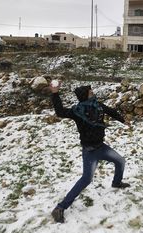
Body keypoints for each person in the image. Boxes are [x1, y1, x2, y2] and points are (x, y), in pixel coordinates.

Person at [50, 82, 130, 223]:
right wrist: (55, 93)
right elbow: (60, 112)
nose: (93, 93)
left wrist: (123, 120)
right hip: (90, 152)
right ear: (85, 96)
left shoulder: (97, 105)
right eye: (90, 92)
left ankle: (116, 183)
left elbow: (110, 111)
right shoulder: (77, 111)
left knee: (120, 161)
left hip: (101, 147)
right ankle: (60, 208)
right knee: (86, 179)